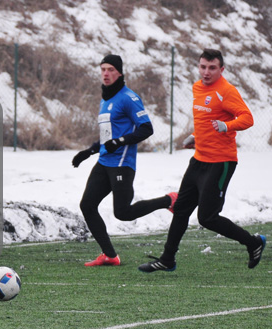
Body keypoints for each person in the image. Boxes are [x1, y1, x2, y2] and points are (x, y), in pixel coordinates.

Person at [139, 49, 266, 272]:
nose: (206, 72)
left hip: (221, 162)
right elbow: (207, 120)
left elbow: (247, 118)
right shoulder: (197, 88)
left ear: (221, 69)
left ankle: (253, 242)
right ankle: (167, 259)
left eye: (212, 68)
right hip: (198, 160)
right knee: (180, 210)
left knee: (207, 218)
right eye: (203, 67)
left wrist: (228, 126)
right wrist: (195, 137)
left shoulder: (226, 91)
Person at [72, 54, 177, 267]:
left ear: (119, 72)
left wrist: (120, 141)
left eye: (110, 69)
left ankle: (169, 200)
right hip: (104, 162)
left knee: (123, 213)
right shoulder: (105, 99)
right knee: (87, 205)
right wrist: (90, 151)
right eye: (103, 69)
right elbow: (107, 137)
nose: (106, 73)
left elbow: (146, 128)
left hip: (122, 164)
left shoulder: (128, 97)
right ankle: (109, 255)